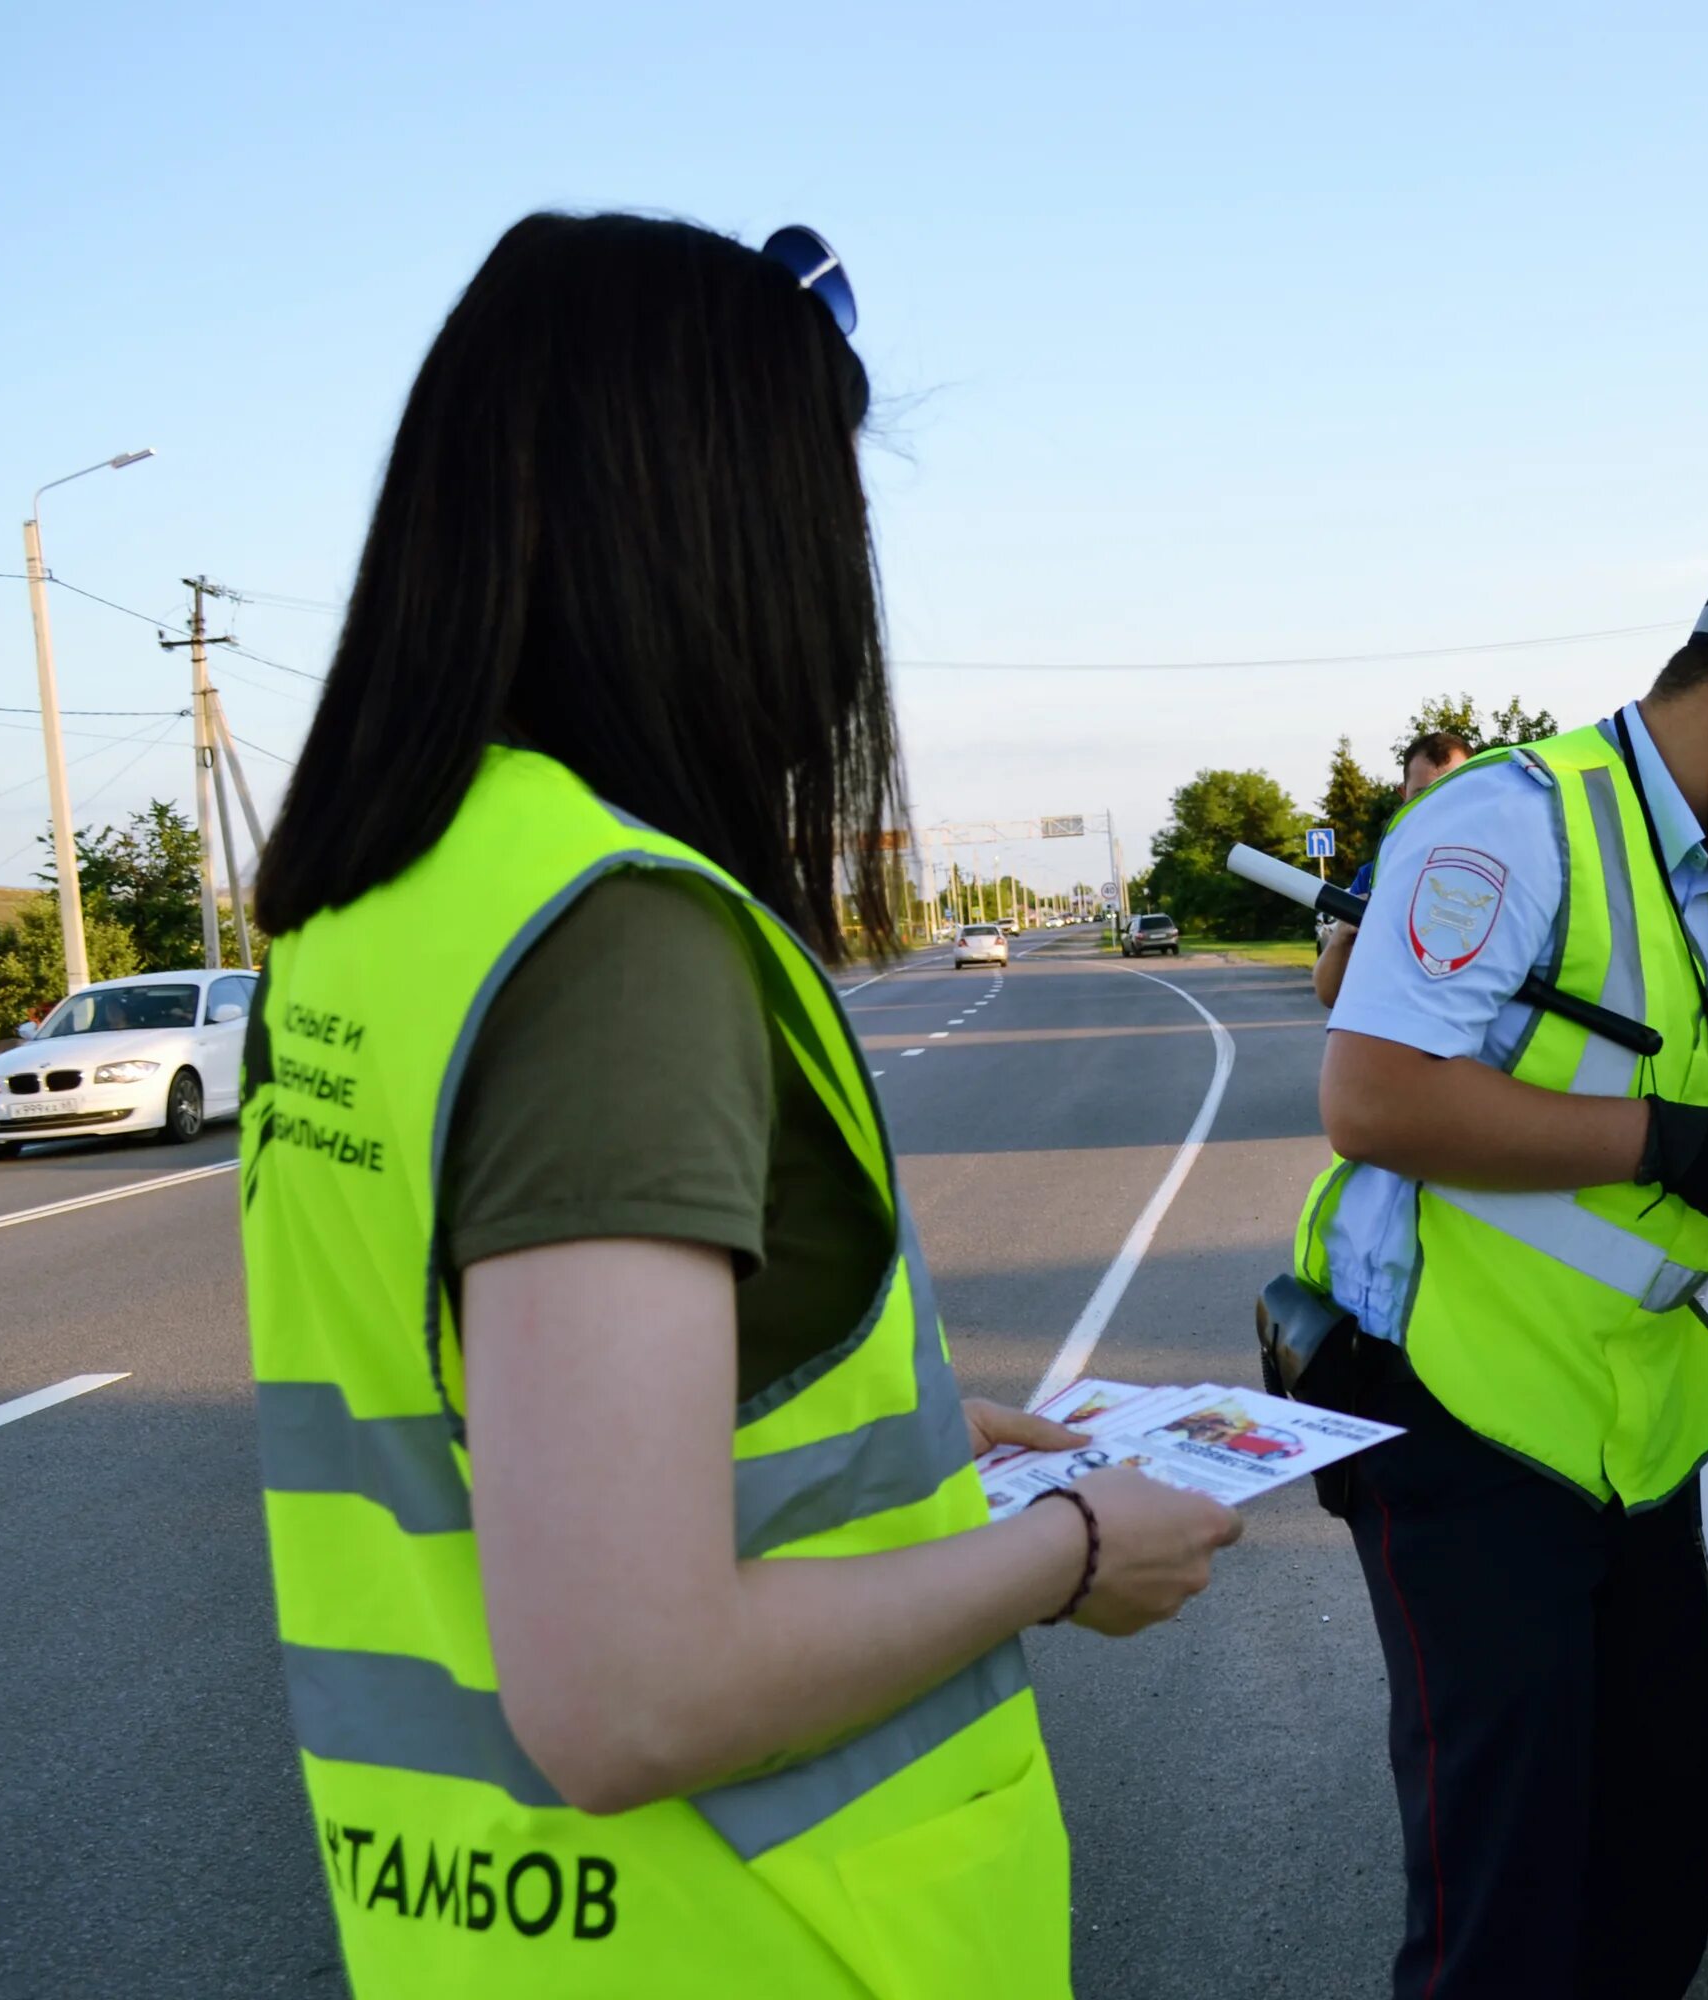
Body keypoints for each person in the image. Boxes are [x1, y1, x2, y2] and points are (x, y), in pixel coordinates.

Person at [238, 213, 1240, 1997]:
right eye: (824, 518)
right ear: (708, 534)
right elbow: (631, 1693)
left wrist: (932, 1445)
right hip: (766, 1947)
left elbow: (490, 1435)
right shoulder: (618, 938)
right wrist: (1071, 1553)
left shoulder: (373, 913)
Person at [1297, 562, 1708, 1998]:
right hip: (1463, 1432)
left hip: (1630, 1440)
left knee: (1653, 1881)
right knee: (1507, 1916)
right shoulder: (1508, 825)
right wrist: (1658, 1137)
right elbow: (1373, 1098)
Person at [1312, 729, 1472, 1008]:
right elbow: (1330, 995)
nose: (1436, 806)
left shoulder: (1512, 869)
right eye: (1422, 795)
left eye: (1452, 792)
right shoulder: (1376, 876)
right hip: (1398, 1039)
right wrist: (1341, 938)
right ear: (1403, 795)